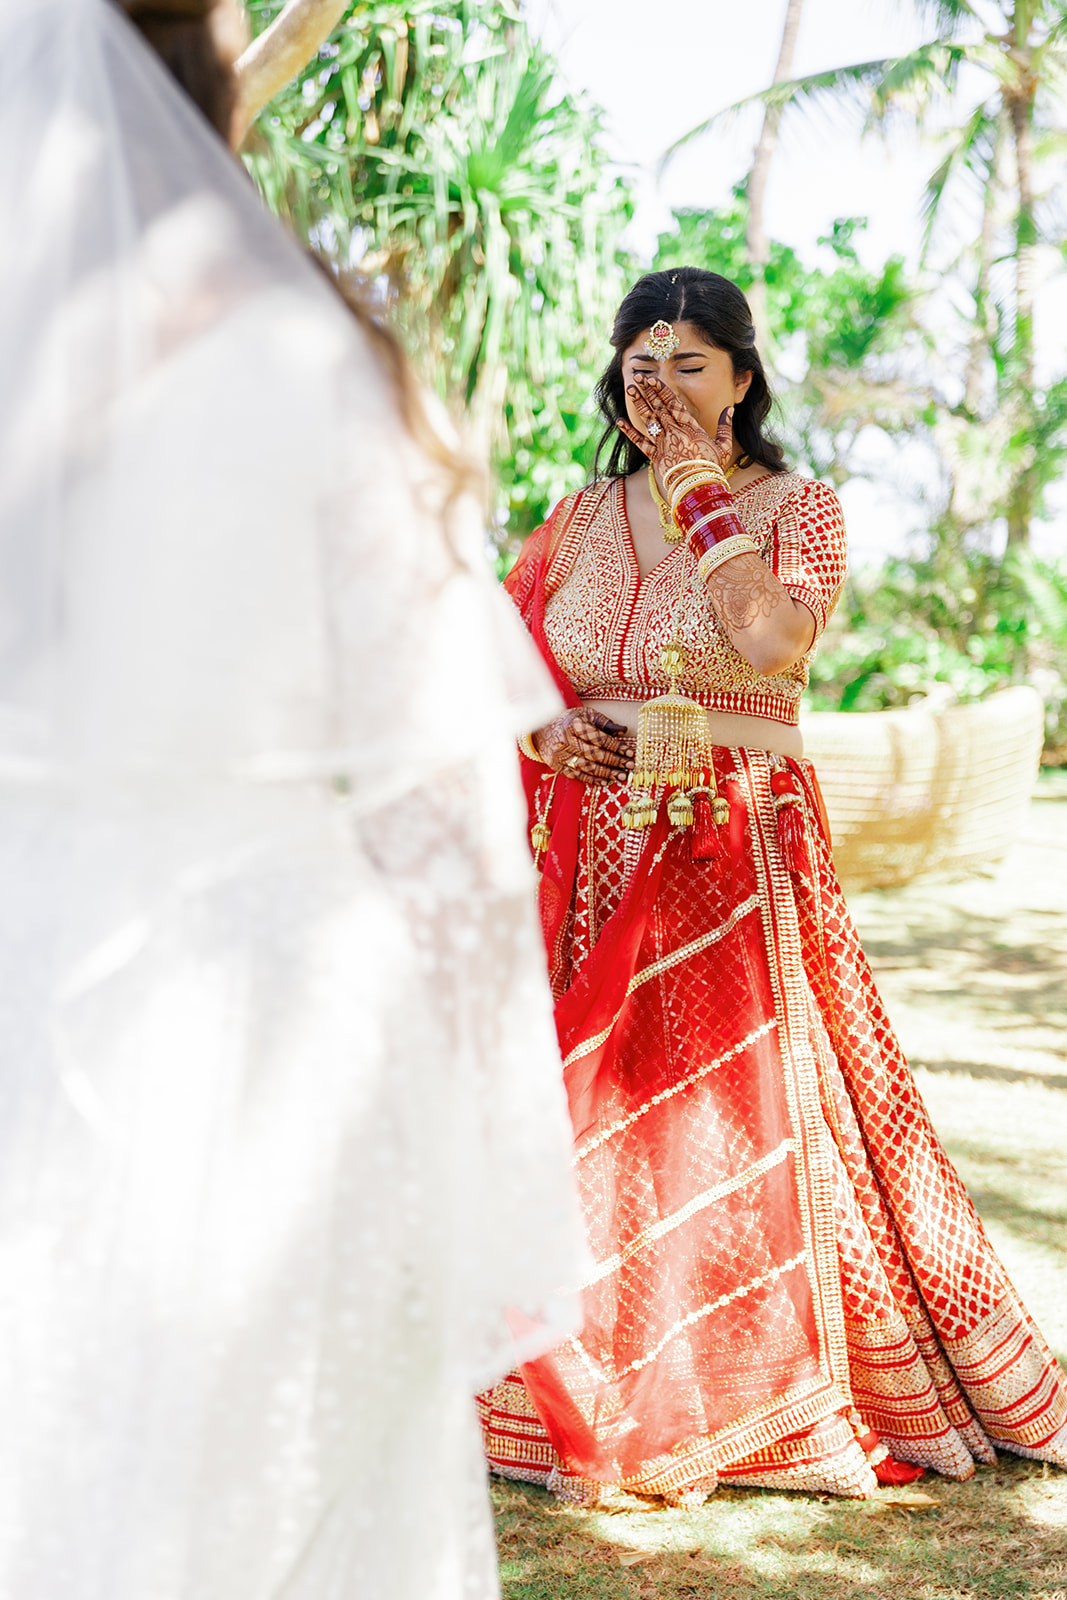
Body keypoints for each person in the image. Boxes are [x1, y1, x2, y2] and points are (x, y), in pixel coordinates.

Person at [0, 1, 585, 1595]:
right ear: (196, 73)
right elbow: (439, 802)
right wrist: (475, 1159)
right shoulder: (294, 358)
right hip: (272, 1015)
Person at [478, 267, 1067, 1504]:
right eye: (641, 359)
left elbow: (768, 641)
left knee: (731, 1112)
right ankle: (567, 1380)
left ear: (743, 377)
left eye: (689, 361)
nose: (661, 382)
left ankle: (748, 1389)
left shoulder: (800, 506)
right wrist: (545, 736)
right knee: (591, 1107)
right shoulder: (577, 520)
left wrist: (698, 485)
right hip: (592, 849)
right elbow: (511, 665)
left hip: (731, 853)